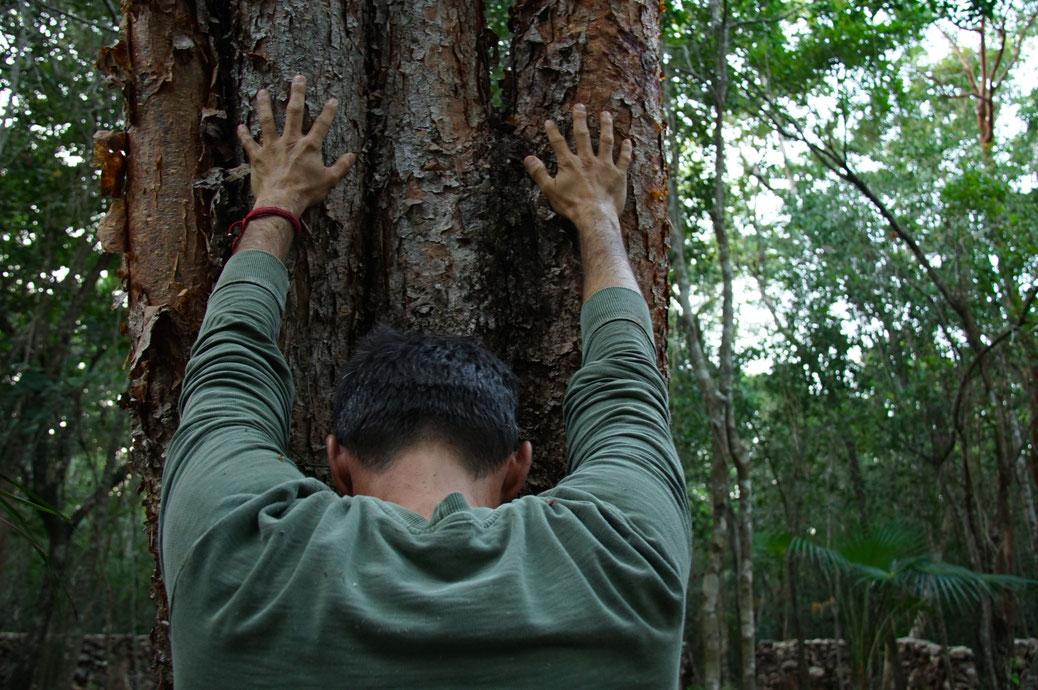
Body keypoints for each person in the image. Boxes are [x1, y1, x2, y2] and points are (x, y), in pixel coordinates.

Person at [159, 74, 692, 687]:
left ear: (337, 460)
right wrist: (600, 217)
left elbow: (228, 375)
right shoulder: (626, 563)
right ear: (519, 465)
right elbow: (626, 392)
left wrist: (277, 201)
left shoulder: (235, 556)